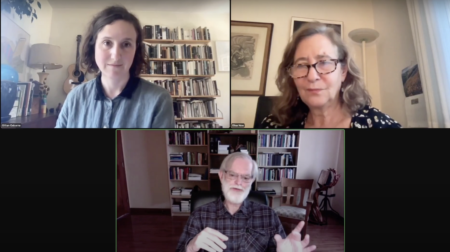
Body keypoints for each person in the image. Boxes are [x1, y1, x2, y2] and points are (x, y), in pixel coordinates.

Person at [259, 22, 401, 129]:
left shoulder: (378, 124)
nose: (312, 76)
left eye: (324, 62)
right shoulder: (273, 125)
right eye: (301, 65)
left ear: (343, 72)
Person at [56, 5, 175, 128]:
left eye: (126, 44)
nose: (116, 55)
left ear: (136, 49)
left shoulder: (159, 100)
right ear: (93, 46)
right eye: (107, 43)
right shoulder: (74, 98)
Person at [175, 152, 317, 252]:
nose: (238, 182)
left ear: (252, 181)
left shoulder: (268, 215)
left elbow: (281, 247)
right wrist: (191, 247)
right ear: (221, 176)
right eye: (232, 175)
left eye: (246, 177)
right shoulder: (200, 215)